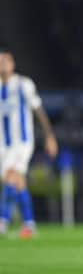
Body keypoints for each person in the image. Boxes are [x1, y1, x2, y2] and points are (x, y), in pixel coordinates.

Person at [0, 46, 58, 238]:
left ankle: (3, 220)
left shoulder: (23, 84)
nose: (3, 64)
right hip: (4, 145)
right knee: (17, 183)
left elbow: (38, 110)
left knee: (11, 176)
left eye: (6, 60)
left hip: (22, 142)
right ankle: (29, 224)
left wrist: (49, 136)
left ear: (13, 64)